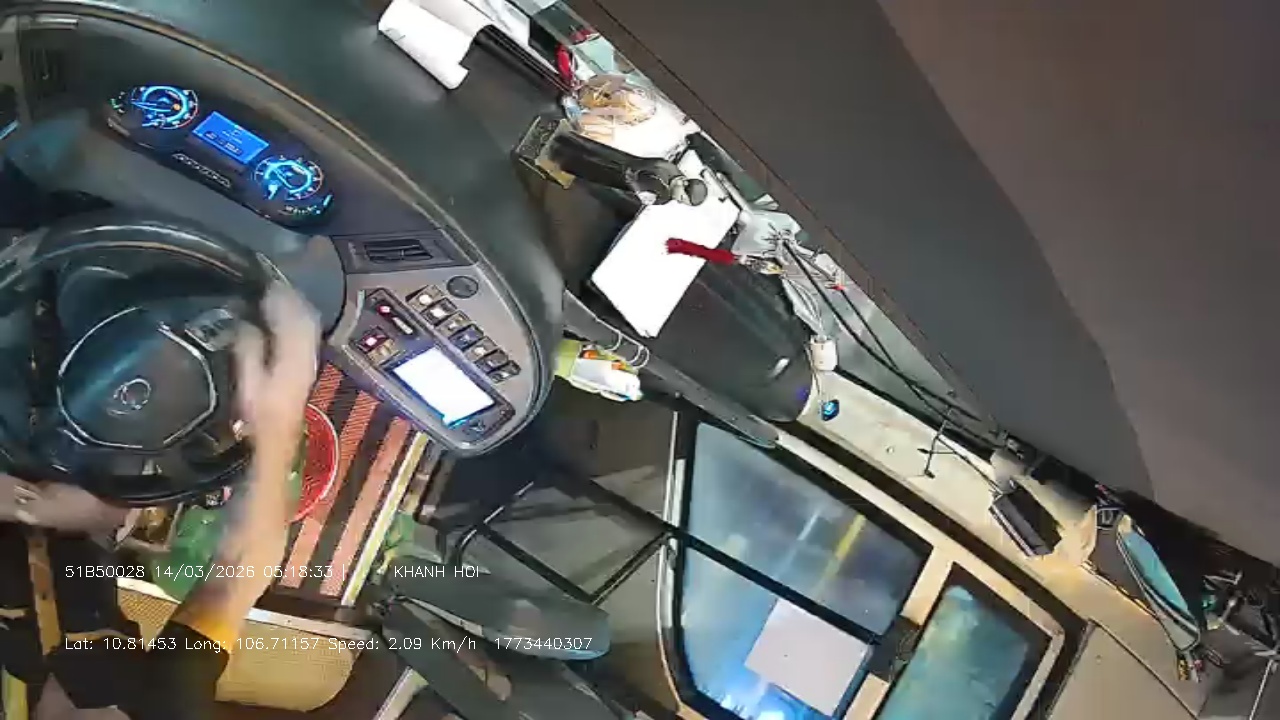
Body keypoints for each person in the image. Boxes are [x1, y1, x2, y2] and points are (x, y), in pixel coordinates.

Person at [0, 282, 321, 720]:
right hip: (75, 487)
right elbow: (240, 573)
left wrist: (25, 505)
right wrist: (279, 412)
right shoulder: (164, 705)